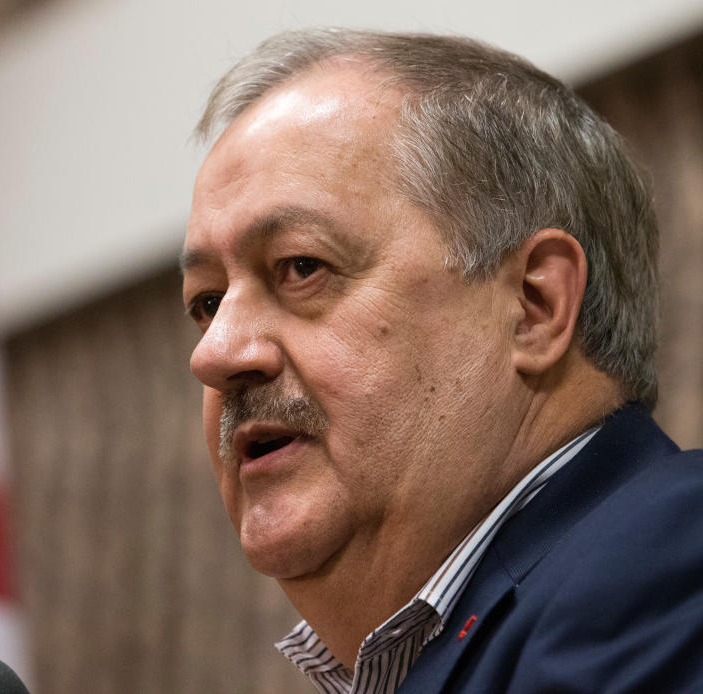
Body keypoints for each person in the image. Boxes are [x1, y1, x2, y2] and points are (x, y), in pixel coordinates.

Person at [180, 28, 703, 694]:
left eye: (301, 267)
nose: (216, 353)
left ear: (534, 306)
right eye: (206, 302)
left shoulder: (673, 571)